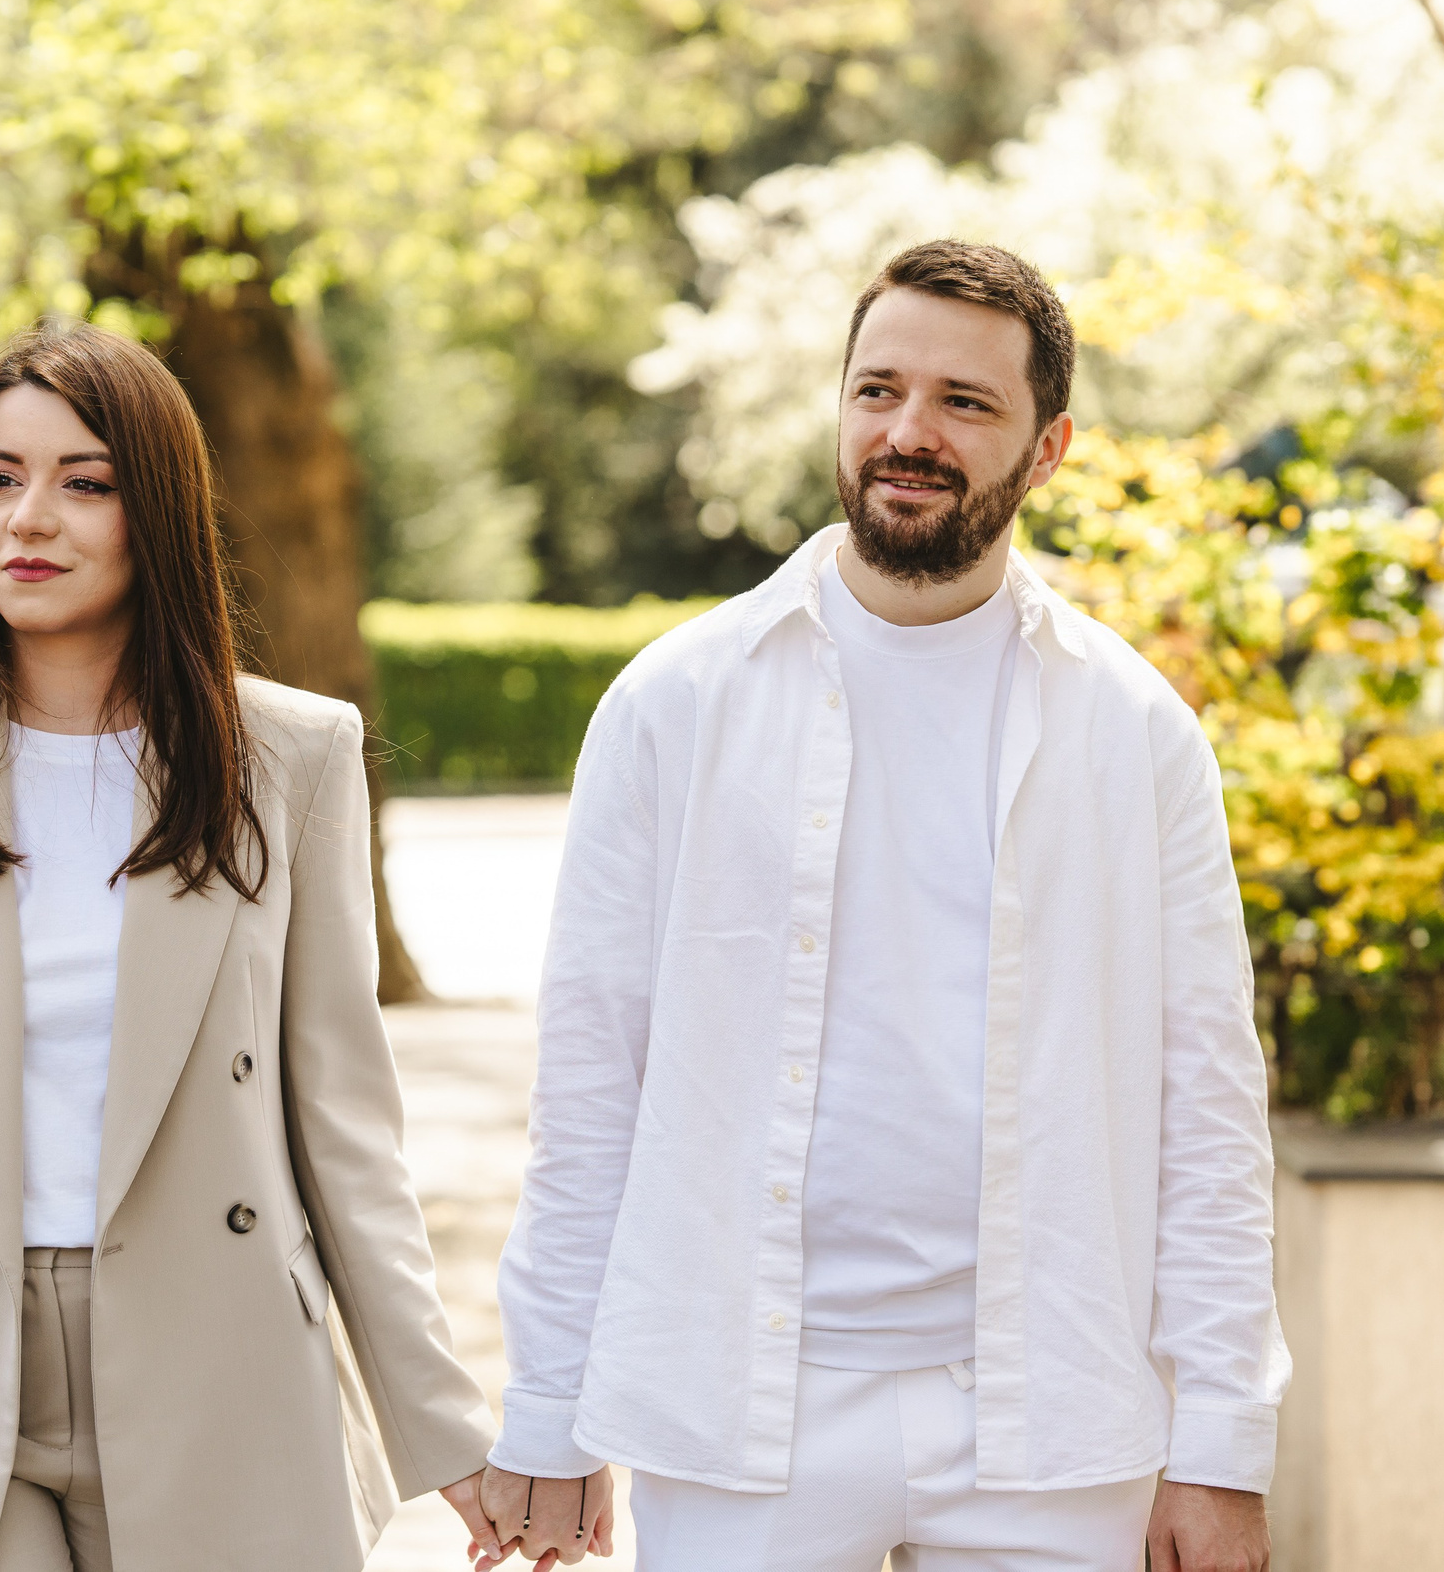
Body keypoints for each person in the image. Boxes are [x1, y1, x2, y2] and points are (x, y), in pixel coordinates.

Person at [481, 241, 1288, 1572]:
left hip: (1053, 1418)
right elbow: (590, 1084)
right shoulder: (677, 702)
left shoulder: (1136, 730)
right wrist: (550, 1407)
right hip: (741, 1408)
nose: (908, 432)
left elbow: (1206, 1106)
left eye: (965, 402)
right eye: (879, 390)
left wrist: (1221, 1442)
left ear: (1050, 446)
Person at [0, 324, 502, 1572]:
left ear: (155, 508)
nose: (27, 518)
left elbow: (345, 1124)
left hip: (219, 1348)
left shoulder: (291, 760)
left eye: (83, 482)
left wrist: (445, 1428)